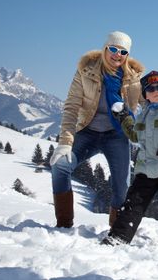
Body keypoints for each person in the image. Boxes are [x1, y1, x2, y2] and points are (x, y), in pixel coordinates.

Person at [50, 31, 144, 228]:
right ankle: (64, 223)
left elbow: (152, 101)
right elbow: (71, 106)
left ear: (128, 55)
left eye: (123, 51)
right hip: (87, 132)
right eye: (113, 49)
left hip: (117, 135)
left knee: (122, 186)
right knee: (60, 166)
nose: (117, 54)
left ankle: (117, 229)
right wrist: (65, 143)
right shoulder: (86, 71)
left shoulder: (133, 78)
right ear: (105, 48)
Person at [101, 71, 158, 247]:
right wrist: (124, 118)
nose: (156, 91)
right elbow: (135, 136)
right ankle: (119, 236)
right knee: (133, 203)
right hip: (146, 168)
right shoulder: (144, 114)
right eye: (150, 89)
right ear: (145, 95)